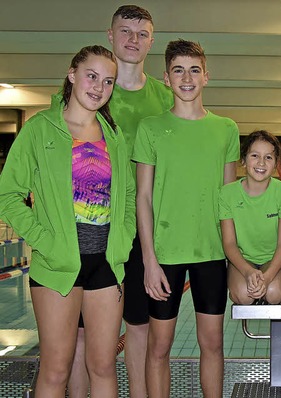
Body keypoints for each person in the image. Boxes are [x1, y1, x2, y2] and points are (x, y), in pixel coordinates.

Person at [0, 45, 136, 397]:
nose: (98, 87)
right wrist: (44, 239)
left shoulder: (114, 136)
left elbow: (129, 198)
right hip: (57, 265)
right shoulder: (39, 130)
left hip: (106, 264)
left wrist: (123, 237)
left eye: (108, 81)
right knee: (56, 368)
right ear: (72, 74)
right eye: (91, 76)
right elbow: (8, 195)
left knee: (104, 366)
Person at [133, 39, 239, 398]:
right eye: (178, 69)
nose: (187, 77)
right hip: (164, 254)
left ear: (207, 76)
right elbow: (143, 197)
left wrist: (235, 253)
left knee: (212, 344)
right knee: (159, 346)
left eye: (195, 69)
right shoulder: (150, 128)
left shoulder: (226, 129)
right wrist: (148, 259)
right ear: (166, 78)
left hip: (211, 252)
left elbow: (229, 198)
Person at [95, 6, 173, 397]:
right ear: (110, 35)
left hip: (144, 230)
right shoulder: (93, 94)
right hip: (95, 228)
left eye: (142, 33)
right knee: (86, 333)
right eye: (125, 31)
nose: (133, 39)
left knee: (139, 327)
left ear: (151, 41)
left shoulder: (164, 97)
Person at [220, 130, 281, 305]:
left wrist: (267, 277)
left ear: (276, 162)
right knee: (244, 295)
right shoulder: (227, 193)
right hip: (242, 258)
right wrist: (247, 271)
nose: (261, 162)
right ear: (244, 160)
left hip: (273, 258)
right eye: (255, 155)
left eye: (269, 157)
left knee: (274, 293)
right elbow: (229, 243)